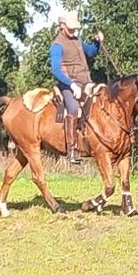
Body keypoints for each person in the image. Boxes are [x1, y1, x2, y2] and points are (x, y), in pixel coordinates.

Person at [50, 11, 103, 164]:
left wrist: (97, 42)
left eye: (74, 27)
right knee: (73, 108)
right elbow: (56, 70)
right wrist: (71, 85)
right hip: (68, 84)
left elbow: (91, 52)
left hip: (86, 81)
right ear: (62, 26)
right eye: (70, 27)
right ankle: (72, 149)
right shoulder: (57, 45)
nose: (73, 30)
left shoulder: (78, 40)